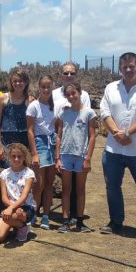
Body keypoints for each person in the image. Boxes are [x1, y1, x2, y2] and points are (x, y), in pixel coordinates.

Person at [99, 52, 136, 241]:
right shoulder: (111, 88)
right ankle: (116, 222)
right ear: (120, 68)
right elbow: (104, 112)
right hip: (113, 149)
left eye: (131, 66)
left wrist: (126, 133)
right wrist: (116, 133)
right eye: (124, 67)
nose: (128, 69)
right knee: (112, 187)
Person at [51, 62, 91, 228]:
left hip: (78, 145)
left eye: (72, 73)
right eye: (65, 73)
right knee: (63, 182)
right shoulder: (54, 94)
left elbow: (86, 121)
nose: (68, 76)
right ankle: (64, 216)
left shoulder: (85, 95)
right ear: (61, 75)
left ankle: (76, 215)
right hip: (59, 140)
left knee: (77, 183)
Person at [55, 82, 97, 233]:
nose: (71, 96)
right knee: (66, 189)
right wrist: (57, 158)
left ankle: (80, 221)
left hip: (80, 156)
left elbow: (92, 137)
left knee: (80, 190)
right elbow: (59, 136)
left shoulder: (89, 113)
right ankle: (65, 221)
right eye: (68, 95)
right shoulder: (63, 114)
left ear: (79, 93)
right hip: (65, 155)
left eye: (74, 93)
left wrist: (88, 158)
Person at [26, 74, 56, 229]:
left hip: (53, 142)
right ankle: (34, 213)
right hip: (40, 143)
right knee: (39, 183)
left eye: (48, 86)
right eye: (43, 87)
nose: (46, 89)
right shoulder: (34, 106)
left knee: (50, 182)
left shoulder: (55, 105)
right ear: (39, 87)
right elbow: (30, 130)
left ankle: (46, 215)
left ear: (52, 87)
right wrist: (34, 153)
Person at [0, 143, 35, 244]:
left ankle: (23, 226)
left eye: (19, 156)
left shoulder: (29, 173)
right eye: (13, 156)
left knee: (14, 215)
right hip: (10, 207)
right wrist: (11, 208)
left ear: (24, 157)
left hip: (25, 207)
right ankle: (16, 225)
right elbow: (4, 197)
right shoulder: (4, 174)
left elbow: (24, 196)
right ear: (9, 157)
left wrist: (12, 208)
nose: (16, 159)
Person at [0, 69, 32, 165]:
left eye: (21, 81)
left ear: (26, 82)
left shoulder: (30, 100)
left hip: (24, 140)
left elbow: (33, 125)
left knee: (24, 169)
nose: (18, 83)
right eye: (15, 81)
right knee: (7, 169)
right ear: (11, 82)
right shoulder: (3, 98)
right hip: (6, 140)